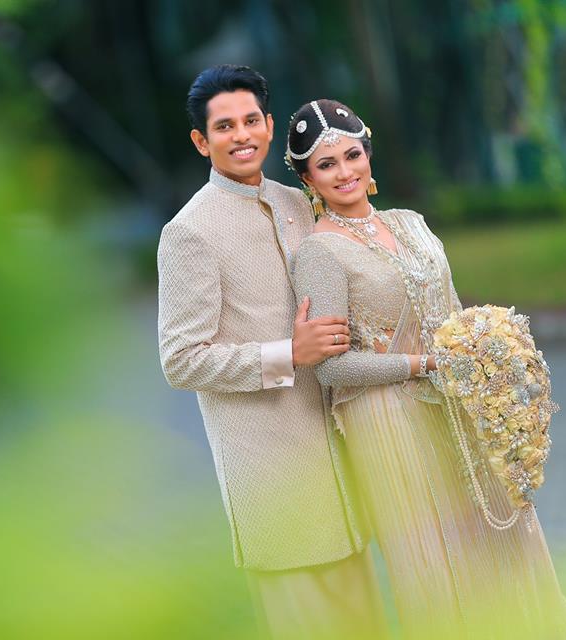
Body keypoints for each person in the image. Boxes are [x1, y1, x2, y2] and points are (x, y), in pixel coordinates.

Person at [288, 98, 566, 640]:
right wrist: (423, 363)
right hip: (388, 421)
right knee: (438, 557)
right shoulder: (319, 253)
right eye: (326, 164)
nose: (344, 171)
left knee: (502, 529)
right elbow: (331, 370)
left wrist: (485, 354)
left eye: (352, 155)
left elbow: (449, 312)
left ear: (368, 155)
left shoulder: (411, 223)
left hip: (455, 397)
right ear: (308, 179)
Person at [157, 66, 390, 640]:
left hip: (342, 459)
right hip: (272, 474)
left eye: (251, 121)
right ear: (201, 141)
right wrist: (289, 352)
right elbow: (180, 359)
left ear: (267, 124)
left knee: (366, 621)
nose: (241, 135)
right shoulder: (190, 231)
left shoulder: (299, 202)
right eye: (224, 126)